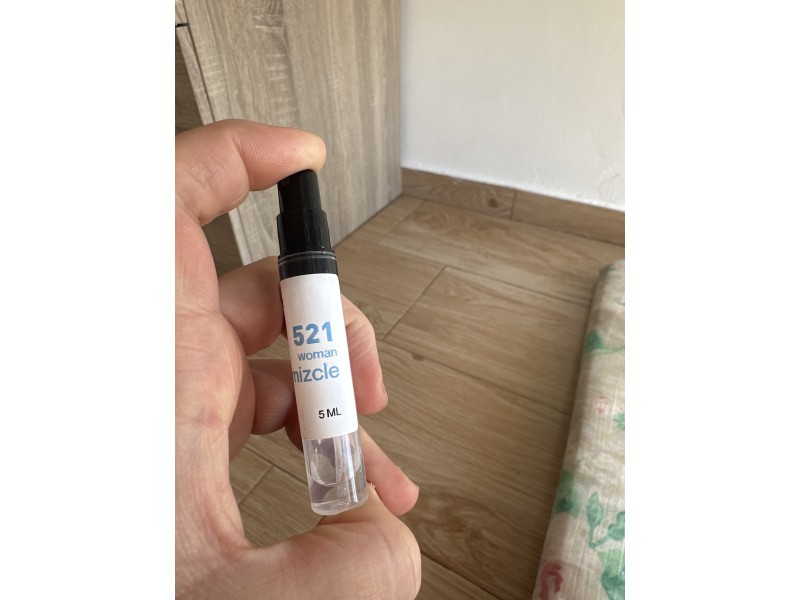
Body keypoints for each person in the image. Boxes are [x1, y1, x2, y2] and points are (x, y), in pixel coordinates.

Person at [176, 120, 422, 598]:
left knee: (322, 361)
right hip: (320, 423)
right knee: (318, 365)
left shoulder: (309, 276)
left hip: (327, 412)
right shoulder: (297, 275)